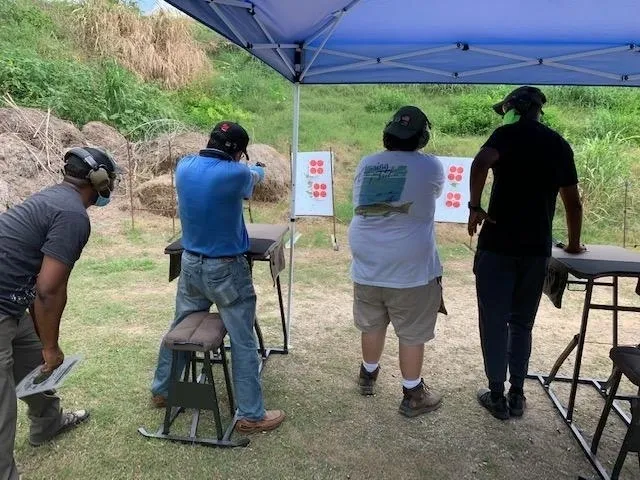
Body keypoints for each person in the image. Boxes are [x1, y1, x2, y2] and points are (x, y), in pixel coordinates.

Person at [149, 121, 285, 433]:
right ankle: (251, 413)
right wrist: (258, 168)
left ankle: (162, 388)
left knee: (180, 327)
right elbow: (255, 176)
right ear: (237, 152)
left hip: (191, 264)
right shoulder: (236, 173)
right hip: (225, 270)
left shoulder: (185, 166)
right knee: (242, 339)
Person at [0, 147, 120, 480]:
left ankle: (47, 423)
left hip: (10, 301)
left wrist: (43, 341)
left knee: (30, 359)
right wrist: (51, 346)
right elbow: (49, 289)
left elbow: (31, 273)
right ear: (99, 181)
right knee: (2, 405)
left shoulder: (53, 198)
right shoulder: (73, 215)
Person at [468, 86, 585, 420]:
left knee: (494, 321)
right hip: (535, 249)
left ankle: (496, 394)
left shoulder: (504, 135)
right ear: (539, 111)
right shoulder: (558, 144)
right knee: (522, 322)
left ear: (512, 109)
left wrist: (475, 206)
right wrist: (574, 243)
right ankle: (517, 394)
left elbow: (480, 163)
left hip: (497, 246)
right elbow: (572, 202)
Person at [348, 106, 445, 417]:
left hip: (367, 259)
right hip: (410, 268)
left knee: (372, 321)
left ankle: (368, 374)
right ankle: (413, 393)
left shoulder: (367, 162)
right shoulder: (430, 166)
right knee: (412, 331)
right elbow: (435, 193)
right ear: (423, 137)